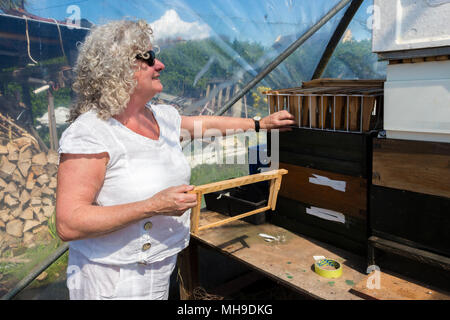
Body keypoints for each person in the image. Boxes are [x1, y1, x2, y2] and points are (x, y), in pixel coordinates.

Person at [56, 19, 295, 300]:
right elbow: (69, 223)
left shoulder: (161, 116)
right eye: (149, 58)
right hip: (111, 281)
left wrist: (260, 123)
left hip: (159, 269)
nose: (160, 65)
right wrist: (152, 206)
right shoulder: (91, 132)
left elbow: (203, 124)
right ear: (117, 67)